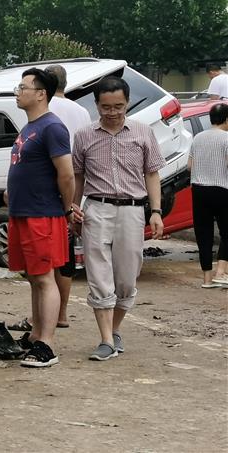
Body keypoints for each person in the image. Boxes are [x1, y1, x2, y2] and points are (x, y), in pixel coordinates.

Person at [71, 76, 166, 362]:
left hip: (133, 210)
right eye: (106, 107)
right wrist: (73, 208)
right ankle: (105, 340)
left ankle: (113, 331)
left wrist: (156, 212)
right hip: (96, 208)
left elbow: (152, 173)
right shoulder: (84, 135)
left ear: (127, 104)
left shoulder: (142, 132)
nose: (112, 112)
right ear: (96, 105)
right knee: (98, 274)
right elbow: (78, 175)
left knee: (127, 276)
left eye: (118, 106)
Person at [6, 68, 75, 368]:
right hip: (23, 212)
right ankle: (35, 335)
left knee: (46, 278)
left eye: (23, 87)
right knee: (34, 278)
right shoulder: (29, 127)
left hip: (42, 214)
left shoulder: (52, 128)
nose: (18, 92)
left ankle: (47, 343)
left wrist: (68, 208)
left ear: (40, 93)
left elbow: (67, 174)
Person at [187, 103, 228, 288]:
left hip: (199, 189)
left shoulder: (198, 138)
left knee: (203, 233)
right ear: (226, 119)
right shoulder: (227, 139)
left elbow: (189, 166)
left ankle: (206, 279)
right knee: (227, 231)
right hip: (222, 189)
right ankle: (221, 272)